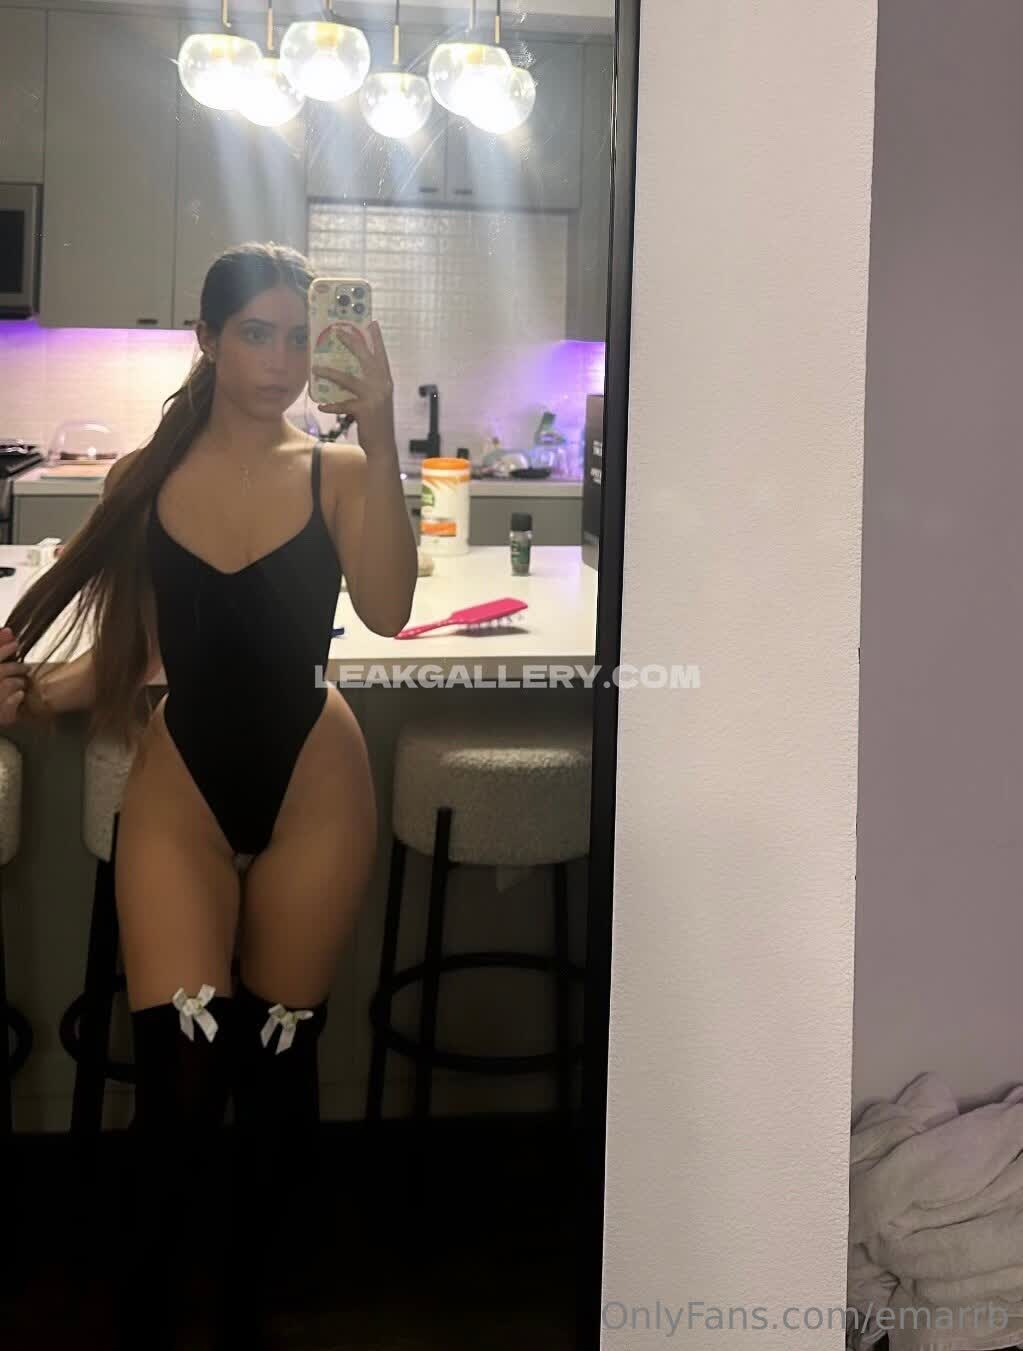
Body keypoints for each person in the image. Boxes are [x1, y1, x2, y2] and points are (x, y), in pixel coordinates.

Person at [0, 241, 418, 1348]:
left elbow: (386, 612)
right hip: (182, 779)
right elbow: (129, 657)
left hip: (313, 779)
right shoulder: (143, 481)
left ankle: (248, 1308)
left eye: (299, 338)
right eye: (257, 335)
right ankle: (147, 1307)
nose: (280, 361)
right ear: (208, 340)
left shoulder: (337, 472)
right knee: (179, 1080)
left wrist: (381, 427)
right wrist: (29, 692)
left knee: (277, 1070)